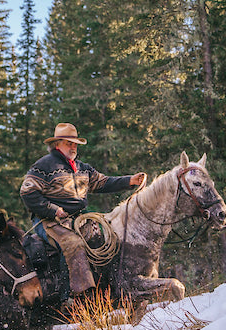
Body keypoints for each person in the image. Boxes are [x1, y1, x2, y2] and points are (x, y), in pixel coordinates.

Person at [19, 123, 146, 297]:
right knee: (73, 243)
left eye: (75, 144)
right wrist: (53, 210)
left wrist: (130, 180)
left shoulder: (82, 168)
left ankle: (111, 291)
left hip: (77, 219)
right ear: (57, 144)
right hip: (48, 221)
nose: (73, 147)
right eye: (68, 143)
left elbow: (103, 182)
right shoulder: (43, 166)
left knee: (104, 240)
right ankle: (71, 297)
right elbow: (27, 192)